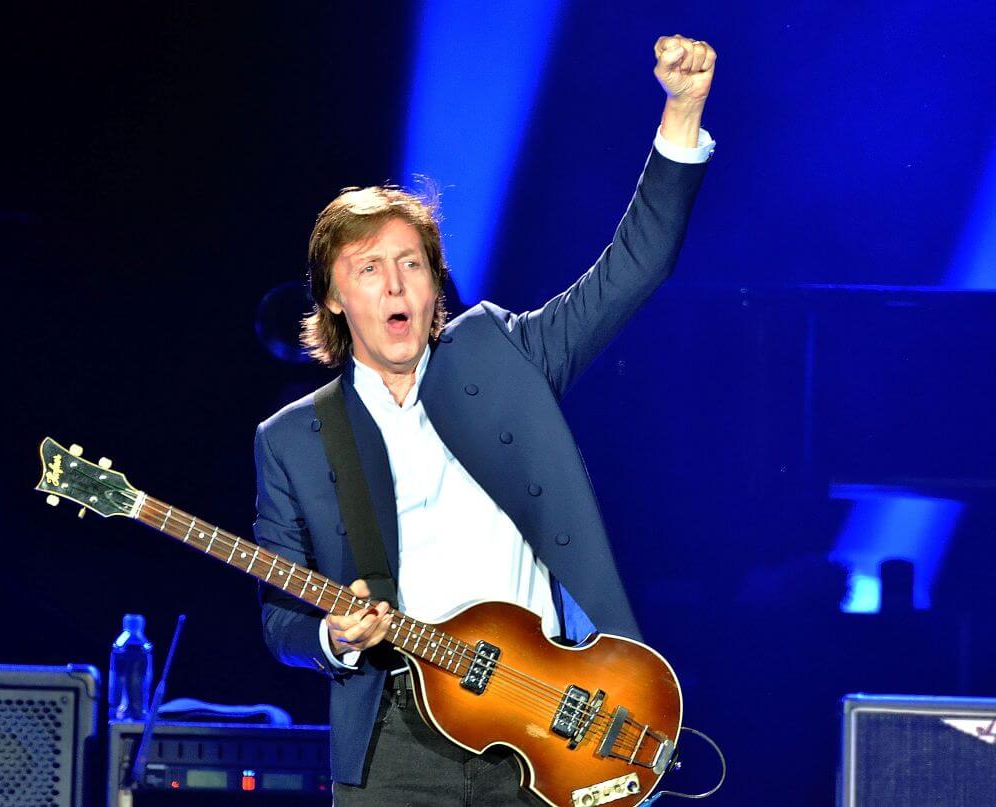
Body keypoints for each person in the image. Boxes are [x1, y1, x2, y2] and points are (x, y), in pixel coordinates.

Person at [253, 34, 717, 805]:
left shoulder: (502, 352)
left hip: (549, 722)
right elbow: (280, 620)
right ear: (334, 299)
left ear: (435, 284)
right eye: (369, 268)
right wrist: (332, 637)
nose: (396, 283)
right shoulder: (295, 439)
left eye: (412, 263)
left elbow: (633, 269)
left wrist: (683, 109)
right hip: (393, 741)